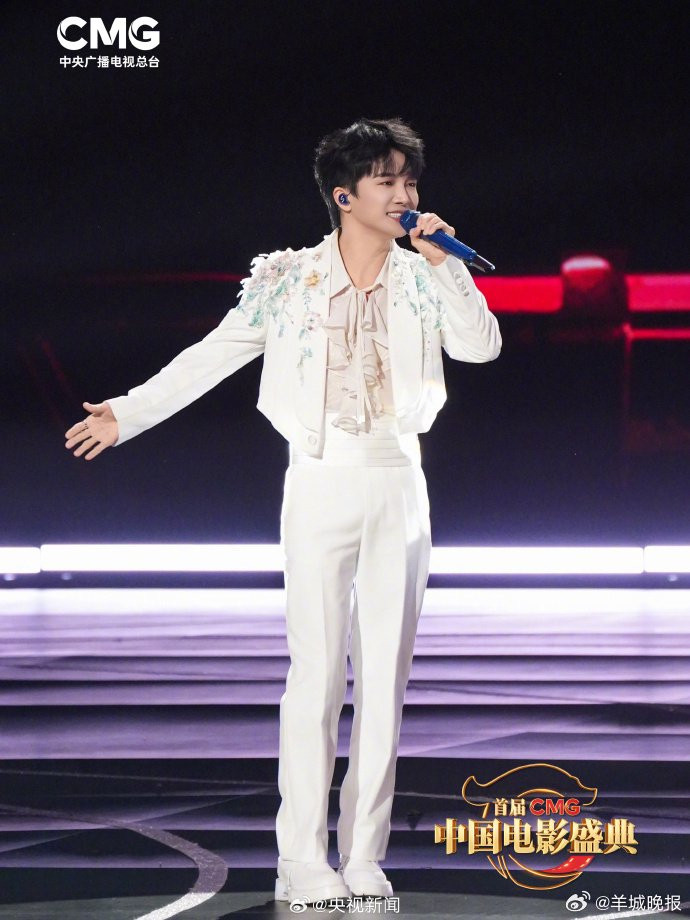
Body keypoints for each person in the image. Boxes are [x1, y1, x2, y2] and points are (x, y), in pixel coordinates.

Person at [64, 117, 502, 905]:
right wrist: (128, 412)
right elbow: (214, 354)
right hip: (320, 479)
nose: (404, 194)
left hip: (399, 479)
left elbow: (481, 347)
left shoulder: (424, 276)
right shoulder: (288, 278)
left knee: (385, 681)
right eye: (387, 180)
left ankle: (363, 855)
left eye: (409, 180)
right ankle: (301, 859)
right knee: (316, 677)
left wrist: (448, 269)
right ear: (345, 195)